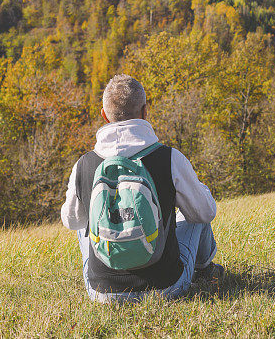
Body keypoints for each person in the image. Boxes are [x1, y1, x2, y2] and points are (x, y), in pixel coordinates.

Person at [61, 74, 223, 303]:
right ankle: (206, 271)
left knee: (82, 220)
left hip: (102, 293)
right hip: (166, 287)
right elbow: (205, 213)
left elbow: (71, 222)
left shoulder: (83, 165)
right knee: (198, 204)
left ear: (104, 115)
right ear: (145, 111)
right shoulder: (169, 158)